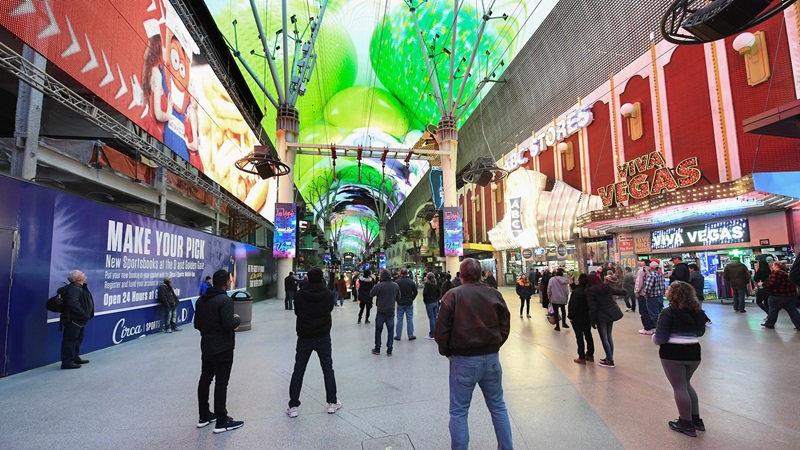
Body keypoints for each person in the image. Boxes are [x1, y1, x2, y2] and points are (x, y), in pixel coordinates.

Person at [435, 258, 512, 450]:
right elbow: (505, 323)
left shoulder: (451, 296)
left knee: (459, 411)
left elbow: (441, 331)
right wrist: (495, 345)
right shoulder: (494, 294)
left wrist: (447, 352)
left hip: (463, 360)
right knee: (498, 406)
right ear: (480, 274)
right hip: (491, 359)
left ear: (461, 275)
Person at [652, 280, 707, 437]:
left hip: (673, 353)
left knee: (679, 387)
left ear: (673, 294)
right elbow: (700, 332)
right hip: (694, 352)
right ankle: (696, 420)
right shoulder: (697, 311)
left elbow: (660, 338)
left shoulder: (668, 312)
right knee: (686, 384)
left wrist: (654, 338)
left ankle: (685, 423)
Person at [287, 268, 341, 418]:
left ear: (308, 279)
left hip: (304, 337)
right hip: (323, 336)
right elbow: (329, 310)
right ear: (321, 279)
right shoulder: (328, 294)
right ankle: (331, 403)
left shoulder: (299, 294)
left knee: (299, 369)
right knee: (328, 369)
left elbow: (297, 312)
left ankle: (293, 406)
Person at [194, 269, 243, 433]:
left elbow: (197, 324)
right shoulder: (225, 300)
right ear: (226, 282)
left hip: (206, 346)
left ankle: (204, 415)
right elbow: (229, 323)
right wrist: (237, 319)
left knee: (205, 379)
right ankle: (221, 420)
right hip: (223, 347)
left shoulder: (201, 300)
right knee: (221, 383)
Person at [587, 273, 626, 368]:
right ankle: (609, 357)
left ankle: (609, 360)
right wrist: (625, 291)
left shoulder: (591, 291)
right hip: (611, 314)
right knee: (609, 336)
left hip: (601, 317)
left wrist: (592, 322)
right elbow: (617, 291)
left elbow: (592, 308)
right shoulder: (605, 287)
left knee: (604, 338)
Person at [60, 270, 95, 369]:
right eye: (82, 274)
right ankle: (67, 362)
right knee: (70, 340)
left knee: (77, 339)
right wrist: (83, 314)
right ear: (78, 278)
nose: (84, 274)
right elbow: (72, 303)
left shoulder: (79, 287)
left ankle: (74, 357)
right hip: (74, 319)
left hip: (79, 320)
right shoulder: (75, 288)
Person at [761, 260, 800, 330]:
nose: (772, 267)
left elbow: (772, 284)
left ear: (776, 266)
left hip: (777, 295)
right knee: (792, 311)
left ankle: (769, 324)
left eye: (773, 265)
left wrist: (763, 284)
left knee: (773, 310)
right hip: (791, 295)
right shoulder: (787, 273)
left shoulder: (776, 274)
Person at [370, 270, 400, 356]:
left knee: (378, 330)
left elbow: (371, 293)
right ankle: (389, 349)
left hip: (381, 311)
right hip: (390, 311)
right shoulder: (395, 285)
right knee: (390, 331)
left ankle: (377, 348)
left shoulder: (379, 285)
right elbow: (399, 297)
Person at [567, 274, 594, 364]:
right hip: (587, 317)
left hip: (577, 318)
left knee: (579, 336)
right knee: (588, 334)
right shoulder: (589, 291)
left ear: (579, 280)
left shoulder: (576, 293)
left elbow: (572, 305)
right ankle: (590, 354)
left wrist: (570, 316)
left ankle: (581, 356)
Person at [394, 268, 418, 341]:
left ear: (400, 273)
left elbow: (395, 292)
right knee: (410, 319)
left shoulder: (397, 282)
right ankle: (410, 335)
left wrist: (397, 299)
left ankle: (398, 336)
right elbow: (415, 292)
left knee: (399, 319)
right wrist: (412, 298)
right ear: (407, 273)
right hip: (409, 302)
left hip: (400, 303)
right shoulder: (411, 282)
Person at [643, 260, 666, 334]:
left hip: (652, 298)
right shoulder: (660, 275)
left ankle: (659, 330)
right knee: (660, 313)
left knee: (654, 315)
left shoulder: (651, 275)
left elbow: (648, 288)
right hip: (660, 297)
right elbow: (663, 286)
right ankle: (663, 328)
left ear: (652, 268)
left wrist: (645, 295)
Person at [635, 259, 655, 334]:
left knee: (643, 311)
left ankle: (647, 328)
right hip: (650, 294)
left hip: (642, 294)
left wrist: (637, 291)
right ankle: (652, 326)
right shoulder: (651, 271)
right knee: (650, 310)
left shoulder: (641, 271)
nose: (639, 262)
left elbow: (639, 282)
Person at [423, 272, 441, 340]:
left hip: (429, 303)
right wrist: (437, 299)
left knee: (431, 318)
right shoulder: (436, 284)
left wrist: (425, 301)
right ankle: (437, 333)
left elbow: (425, 293)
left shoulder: (427, 285)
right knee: (435, 317)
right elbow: (439, 292)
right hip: (435, 302)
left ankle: (432, 334)